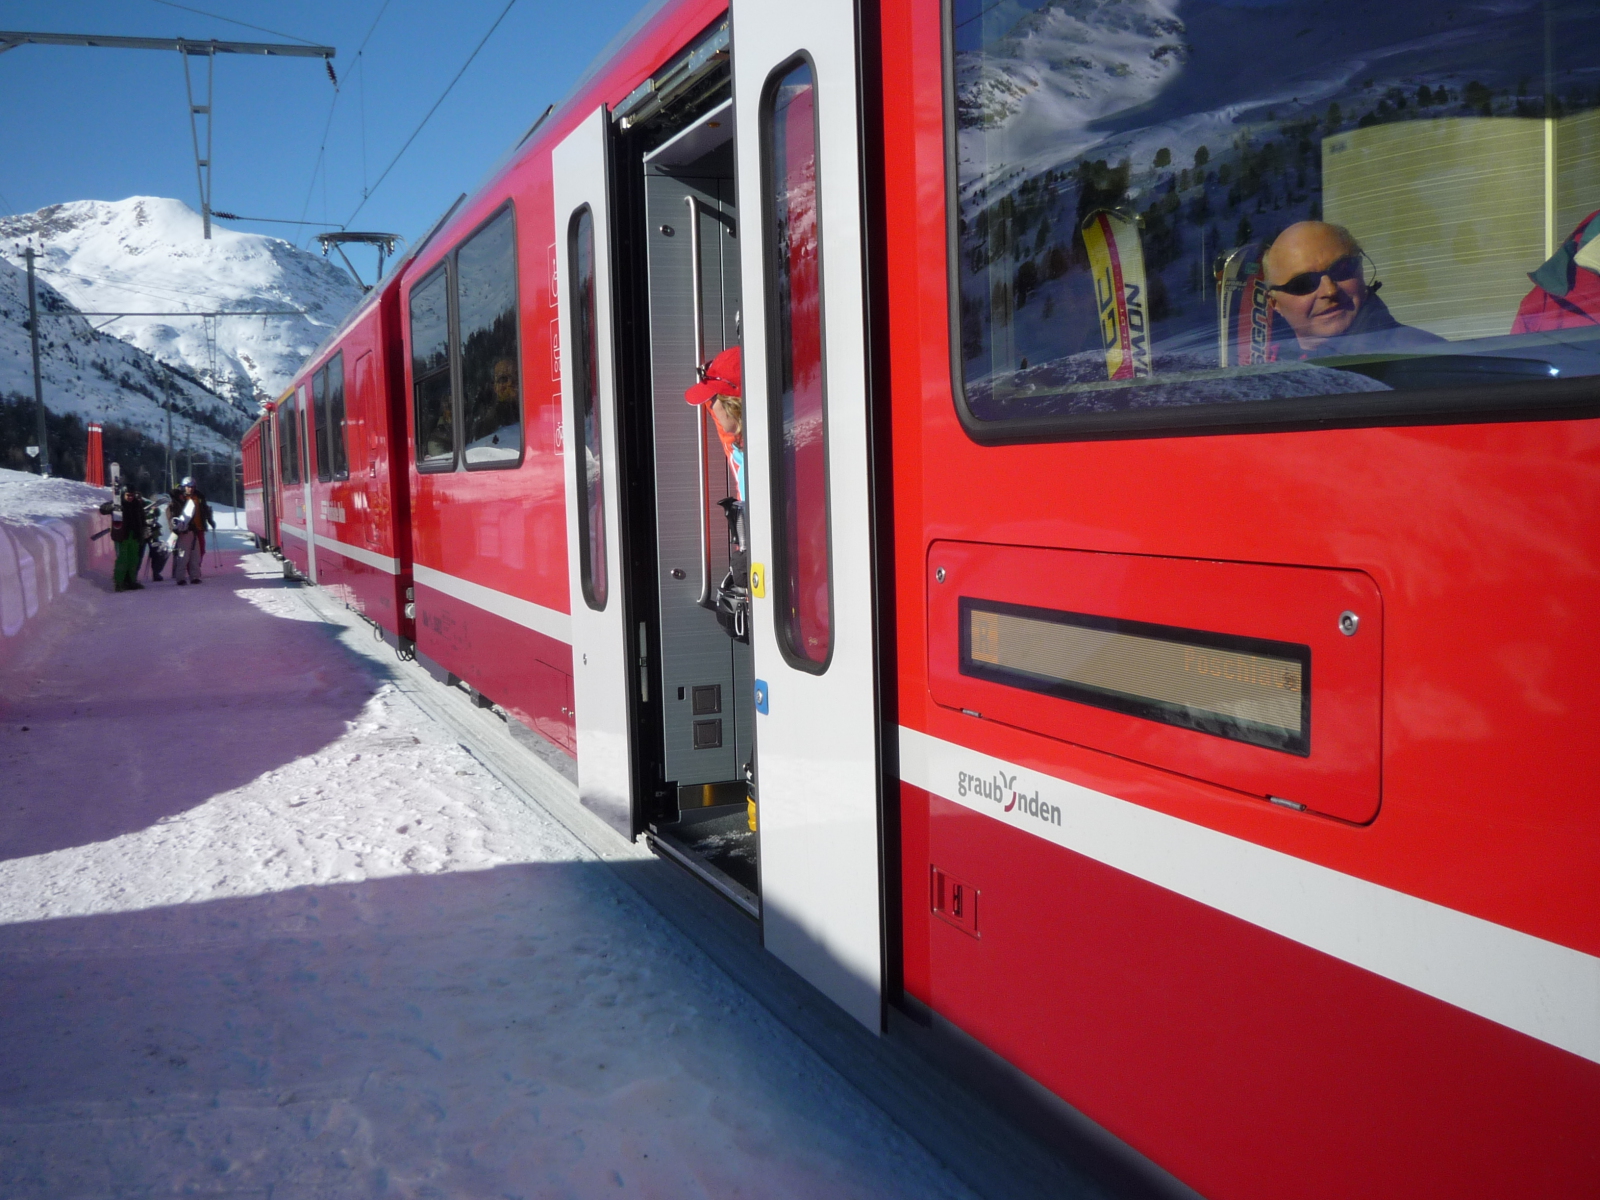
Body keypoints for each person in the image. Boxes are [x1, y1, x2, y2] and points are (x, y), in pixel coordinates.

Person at [1264, 221, 1444, 358]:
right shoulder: (1261, 367)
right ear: (1274, 303)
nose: (1329, 291)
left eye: (1342, 269)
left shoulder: (1423, 356)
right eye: (1304, 283)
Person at [98, 484, 147, 592]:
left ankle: (131, 581)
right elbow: (102, 509)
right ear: (123, 494)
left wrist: (143, 531)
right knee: (122, 560)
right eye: (128, 495)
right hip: (122, 536)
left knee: (134, 560)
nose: (130, 497)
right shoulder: (117, 503)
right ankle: (119, 582)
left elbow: (142, 519)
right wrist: (112, 507)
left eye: (132, 495)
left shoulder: (137, 505)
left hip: (134, 536)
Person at [170, 478, 210, 585]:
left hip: (195, 529)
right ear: (184, 487)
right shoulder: (179, 498)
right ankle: (180, 578)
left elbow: (204, 510)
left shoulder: (198, 497)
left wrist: (209, 519)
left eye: (192, 487)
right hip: (184, 531)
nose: (190, 489)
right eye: (188, 486)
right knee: (183, 555)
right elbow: (173, 511)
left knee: (195, 555)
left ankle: (195, 576)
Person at [144, 491, 171, 582]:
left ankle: (156, 573)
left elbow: (158, 513)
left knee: (156, 553)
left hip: (152, 531)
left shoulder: (148, 503)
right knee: (138, 554)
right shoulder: (136, 504)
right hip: (141, 531)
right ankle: (133, 575)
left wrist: (155, 510)